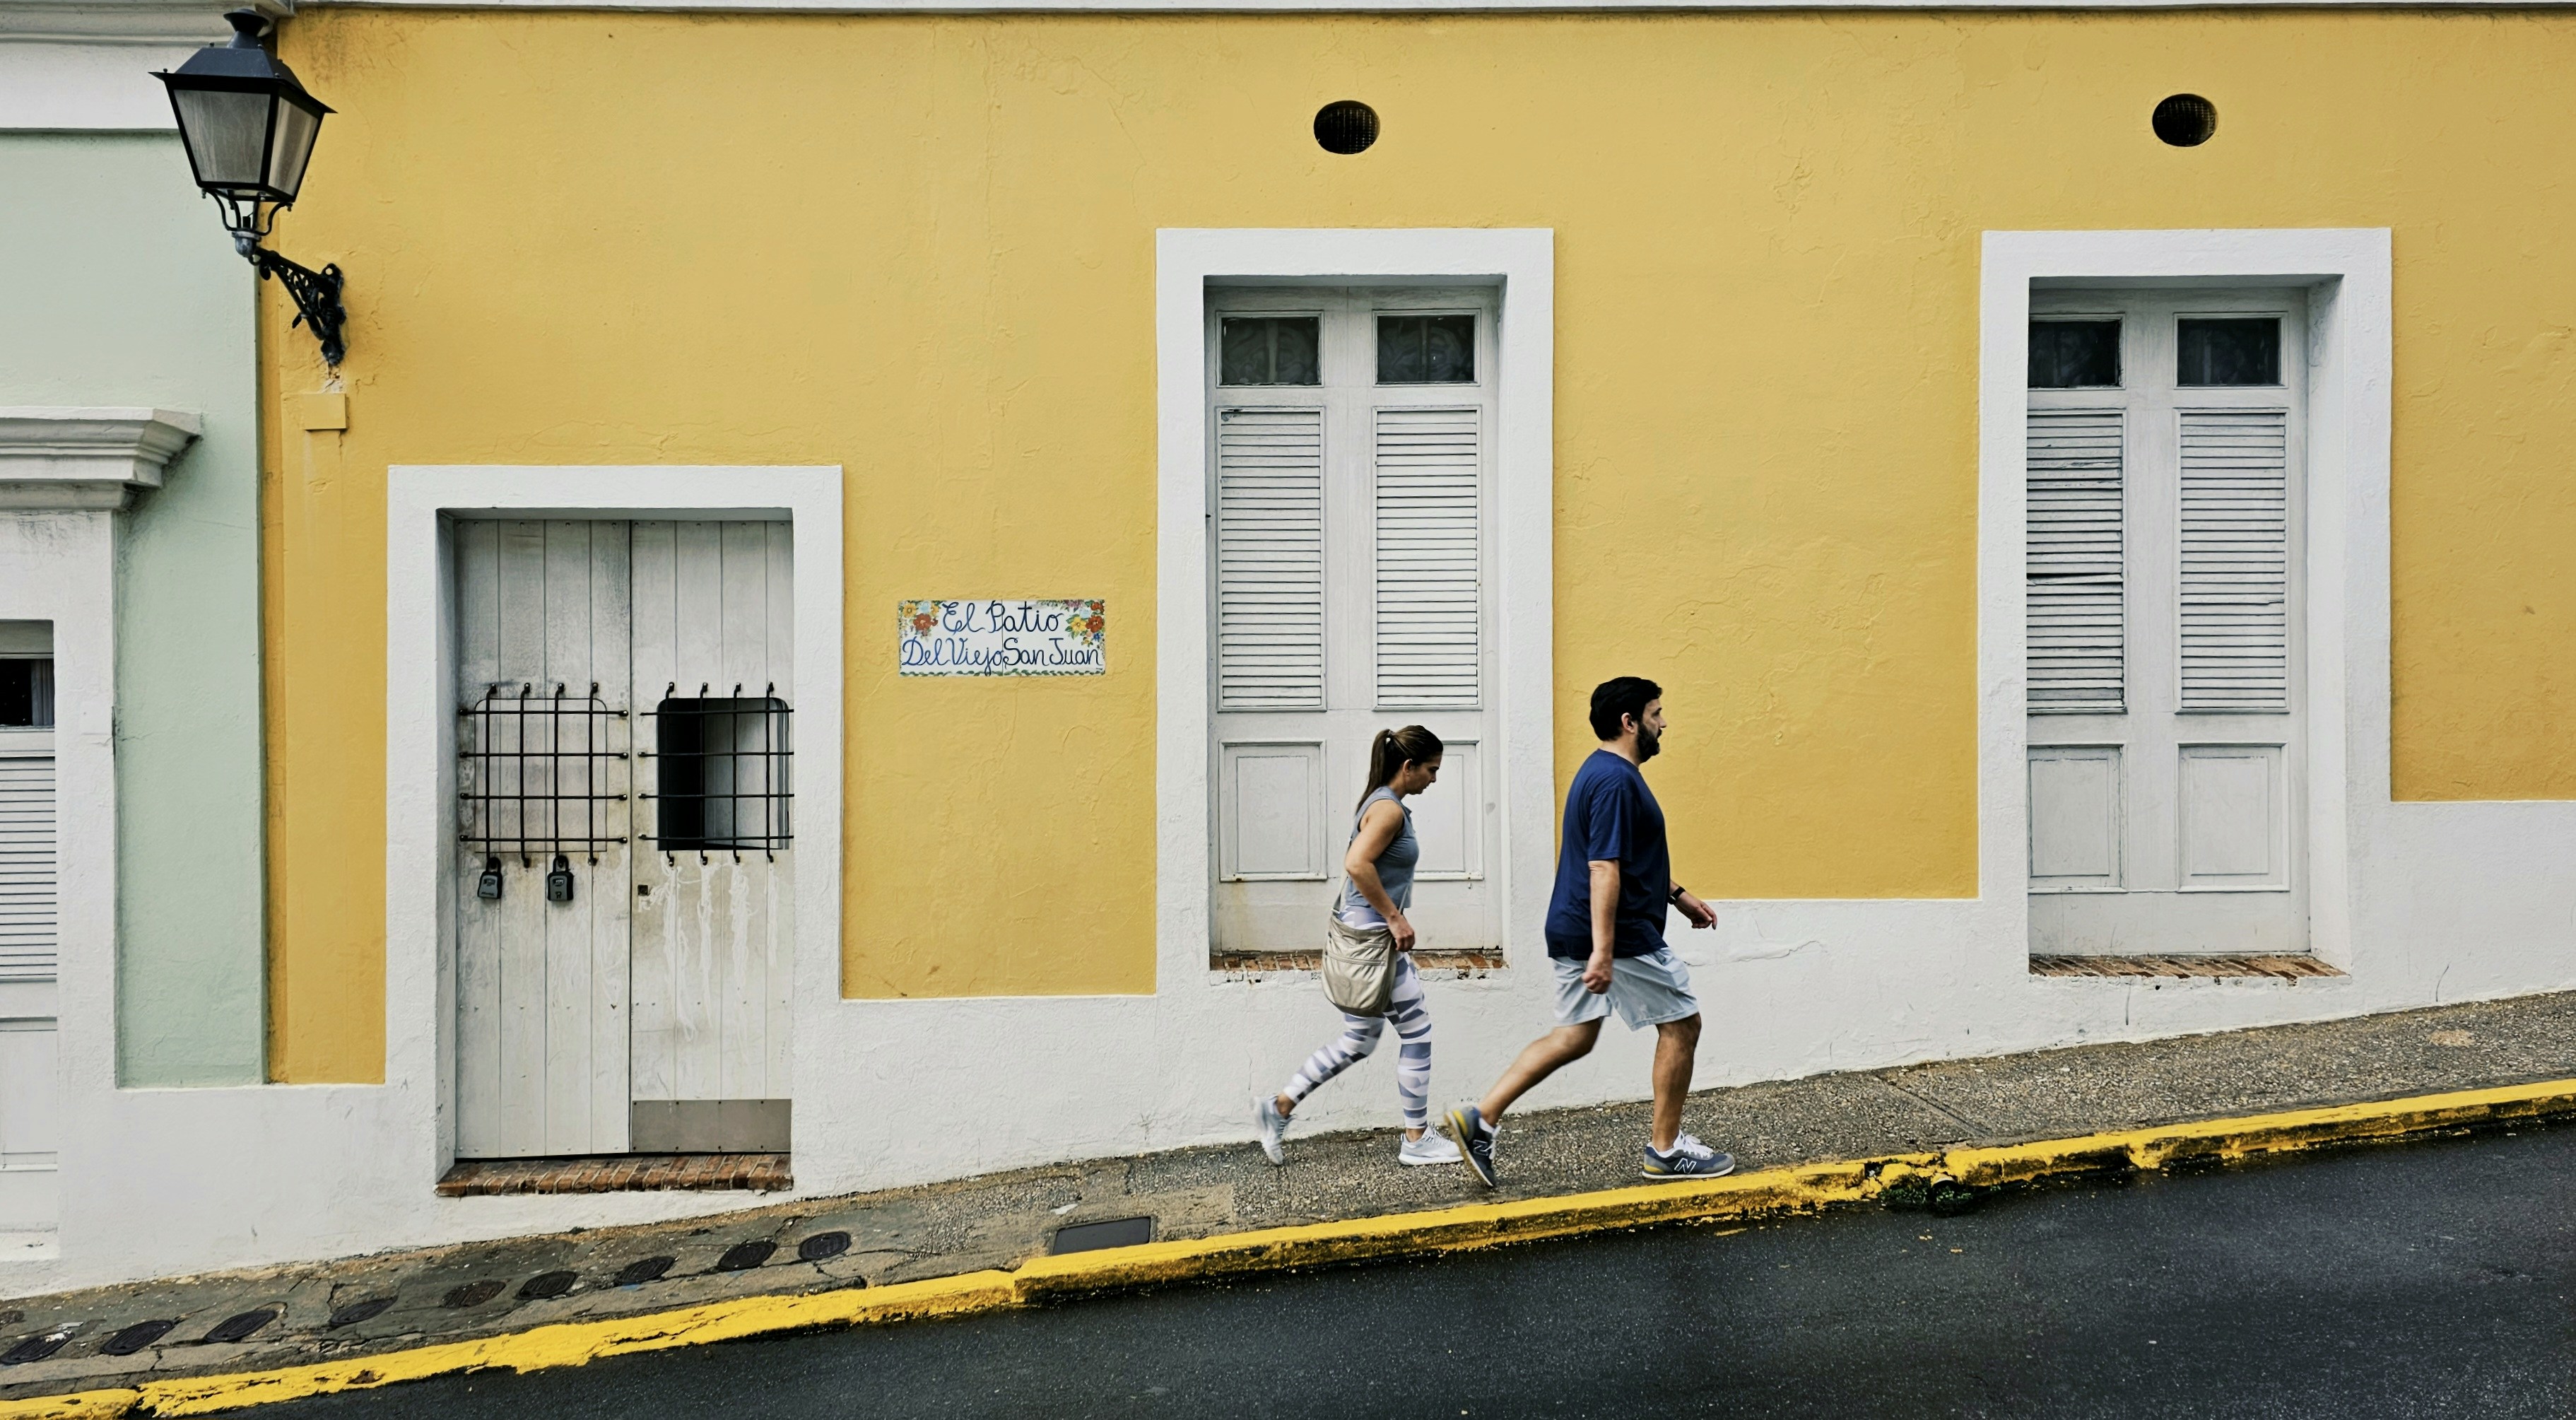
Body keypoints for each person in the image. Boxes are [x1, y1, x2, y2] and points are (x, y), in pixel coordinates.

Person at [1446, 677, 1733, 1186]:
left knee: (1574, 1035)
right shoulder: (1616, 780)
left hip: (1577, 926)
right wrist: (1604, 951)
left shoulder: (1600, 773)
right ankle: (1665, 1151)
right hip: (1616, 933)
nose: (1663, 723)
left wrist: (1677, 894)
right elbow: (1603, 866)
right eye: (1655, 713)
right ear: (1629, 721)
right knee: (1682, 1024)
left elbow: (1623, 855)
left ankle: (1479, 1119)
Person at [1254, 726, 1464, 1168]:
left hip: (1362, 935)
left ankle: (1279, 1107)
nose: (1435, 779)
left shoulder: (1380, 802)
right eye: (1431, 770)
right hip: (1373, 941)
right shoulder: (1388, 810)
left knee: (1358, 1040)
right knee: (1418, 1032)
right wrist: (1394, 916)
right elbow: (1356, 864)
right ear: (1408, 767)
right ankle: (1416, 1138)